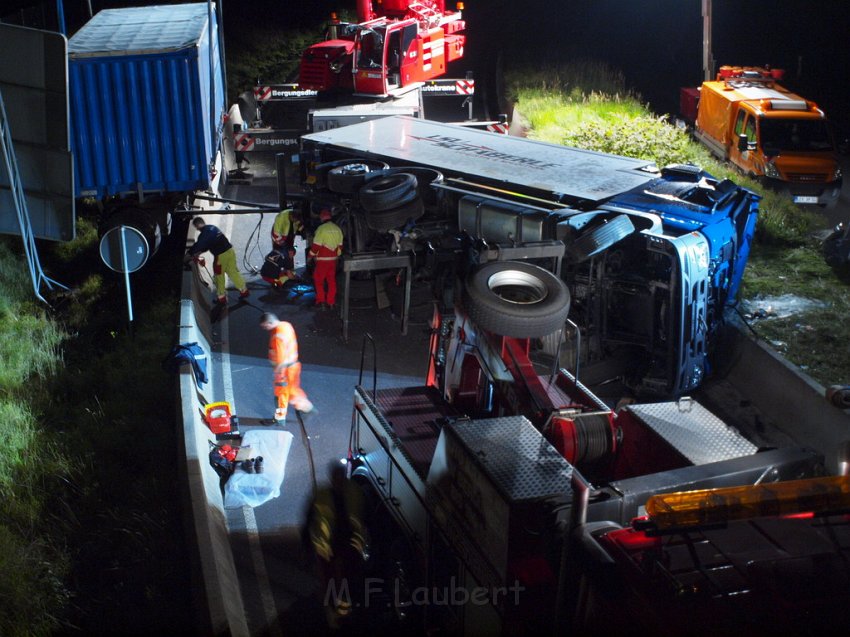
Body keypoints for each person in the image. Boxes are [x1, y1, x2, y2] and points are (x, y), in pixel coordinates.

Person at [305, 461, 369, 630]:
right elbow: (308, 522)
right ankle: (333, 611)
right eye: (336, 478)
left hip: (350, 543)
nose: (339, 481)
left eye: (341, 477)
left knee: (349, 578)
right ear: (332, 479)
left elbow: (364, 516)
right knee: (330, 580)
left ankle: (345, 611)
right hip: (327, 546)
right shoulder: (321, 496)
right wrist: (308, 548)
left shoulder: (355, 493)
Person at [259, 312, 313, 423]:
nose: (265, 329)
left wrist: (278, 374)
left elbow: (281, 358)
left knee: (281, 394)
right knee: (293, 391)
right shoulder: (286, 325)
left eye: (265, 326)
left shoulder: (277, 336)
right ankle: (307, 407)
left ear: (270, 322)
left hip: (284, 370)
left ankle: (279, 418)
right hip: (294, 365)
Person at [186, 217, 249, 305]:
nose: (197, 229)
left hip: (220, 256)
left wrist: (190, 253)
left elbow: (199, 245)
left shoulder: (204, 233)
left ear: (197, 225)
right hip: (230, 251)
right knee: (233, 272)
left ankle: (221, 298)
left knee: (219, 276)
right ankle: (244, 290)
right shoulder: (212, 227)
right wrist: (200, 251)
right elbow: (208, 244)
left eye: (196, 227)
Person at [308, 209, 344, 310]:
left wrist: (310, 256)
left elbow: (316, 246)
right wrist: (336, 255)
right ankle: (331, 302)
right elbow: (340, 246)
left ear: (322, 218)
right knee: (331, 281)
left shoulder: (321, 229)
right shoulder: (337, 229)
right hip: (333, 261)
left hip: (322, 261)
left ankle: (321, 301)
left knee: (319, 280)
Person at [266, 207, 303, 287]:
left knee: (290, 254)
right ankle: (278, 274)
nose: (296, 222)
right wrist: (283, 245)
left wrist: (302, 229)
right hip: (279, 239)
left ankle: (289, 272)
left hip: (288, 238)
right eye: (295, 220)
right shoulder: (281, 218)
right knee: (279, 255)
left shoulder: (296, 218)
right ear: (291, 216)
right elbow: (276, 234)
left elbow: (298, 227)